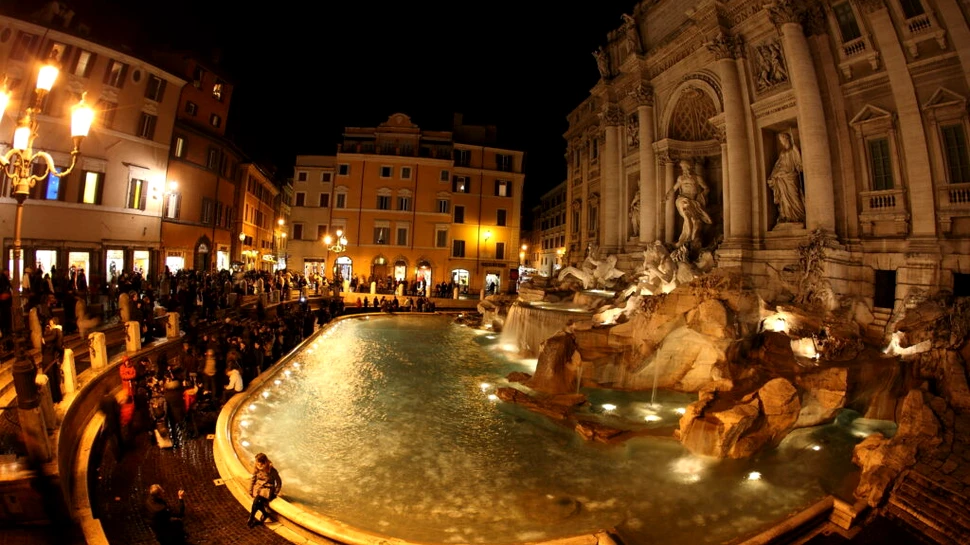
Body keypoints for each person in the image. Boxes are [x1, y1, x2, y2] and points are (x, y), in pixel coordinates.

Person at [665, 160, 712, 248]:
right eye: (683, 168)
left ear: (689, 167)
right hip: (682, 199)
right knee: (686, 210)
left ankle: (688, 238)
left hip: (694, 201)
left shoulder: (697, 178)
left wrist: (701, 196)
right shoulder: (681, 178)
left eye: (685, 167)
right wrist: (667, 196)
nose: (684, 170)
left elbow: (706, 188)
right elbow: (674, 188)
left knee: (694, 220)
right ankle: (688, 235)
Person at [767, 132, 805, 225]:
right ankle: (786, 216)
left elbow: (799, 164)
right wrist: (773, 175)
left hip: (791, 176)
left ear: (787, 139)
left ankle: (798, 216)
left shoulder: (794, 149)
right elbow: (778, 165)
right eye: (780, 140)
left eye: (782, 139)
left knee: (794, 196)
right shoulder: (782, 152)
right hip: (782, 176)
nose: (781, 142)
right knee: (784, 198)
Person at [248, 452, 282, 527]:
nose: (257, 464)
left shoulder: (272, 470)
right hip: (258, 487)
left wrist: (275, 493)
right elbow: (253, 479)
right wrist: (250, 489)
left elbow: (279, 482)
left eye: (259, 463)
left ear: (264, 462)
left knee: (256, 500)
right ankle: (265, 514)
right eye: (257, 463)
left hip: (267, 489)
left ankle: (251, 517)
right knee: (257, 503)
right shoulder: (257, 468)